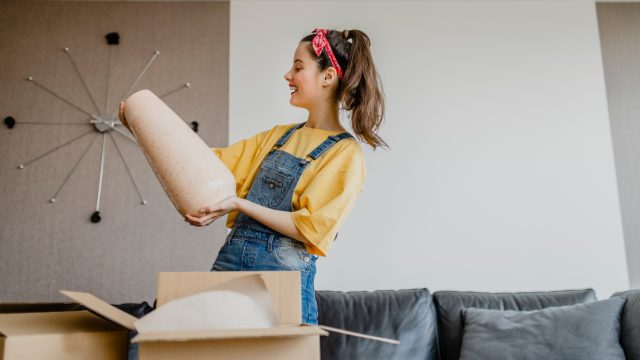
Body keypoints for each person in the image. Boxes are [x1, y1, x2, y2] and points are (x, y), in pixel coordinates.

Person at [121, 28, 386, 325]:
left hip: (283, 277)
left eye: (298, 67)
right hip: (231, 262)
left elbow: (310, 228)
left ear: (328, 77)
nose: (288, 75)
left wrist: (240, 204)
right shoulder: (278, 137)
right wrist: (143, 126)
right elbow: (207, 163)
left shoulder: (344, 154)